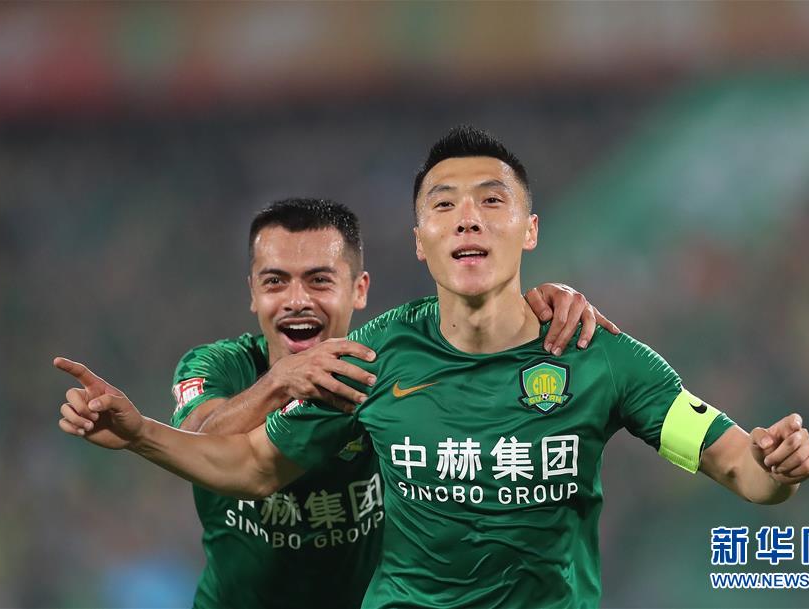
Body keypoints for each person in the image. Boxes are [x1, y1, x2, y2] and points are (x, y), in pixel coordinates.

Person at [56, 127, 809, 609]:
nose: (468, 217)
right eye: (444, 204)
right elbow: (252, 465)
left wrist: (775, 466)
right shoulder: (370, 358)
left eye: (491, 200)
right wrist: (140, 431)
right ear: (419, 240)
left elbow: (737, 466)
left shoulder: (602, 356)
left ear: (529, 229)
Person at [58, 196, 618, 609]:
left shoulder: (390, 369)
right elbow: (204, 439)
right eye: (275, 282)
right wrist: (281, 383)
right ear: (253, 293)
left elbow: (478, 336)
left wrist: (544, 307)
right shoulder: (217, 366)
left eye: (319, 280)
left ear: (359, 289)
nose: (296, 300)